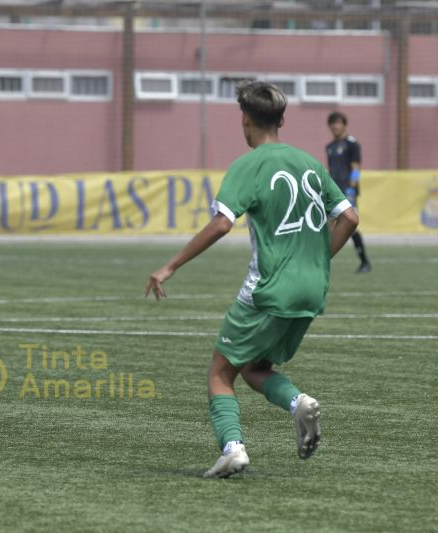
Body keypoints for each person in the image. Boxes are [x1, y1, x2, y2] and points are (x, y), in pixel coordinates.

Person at [145, 81, 358, 478]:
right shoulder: (309, 162)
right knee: (254, 367)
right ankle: (299, 403)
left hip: (269, 290)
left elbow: (223, 224)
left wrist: (170, 265)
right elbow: (350, 218)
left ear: (245, 120)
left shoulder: (249, 165)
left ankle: (233, 449)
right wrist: (317, 260)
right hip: (312, 289)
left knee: (220, 373)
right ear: (281, 119)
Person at [326, 111, 371, 273]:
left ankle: (364, 261)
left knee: (350, 226)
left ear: (344, 125)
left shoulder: (352, 144)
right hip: (333, 192)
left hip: (347, 192)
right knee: (328, 226)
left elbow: (356, 168)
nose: (335, 126)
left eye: (338, 123)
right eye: (332, 123)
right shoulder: (330, 147)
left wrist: (351, 189)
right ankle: (323, 261)